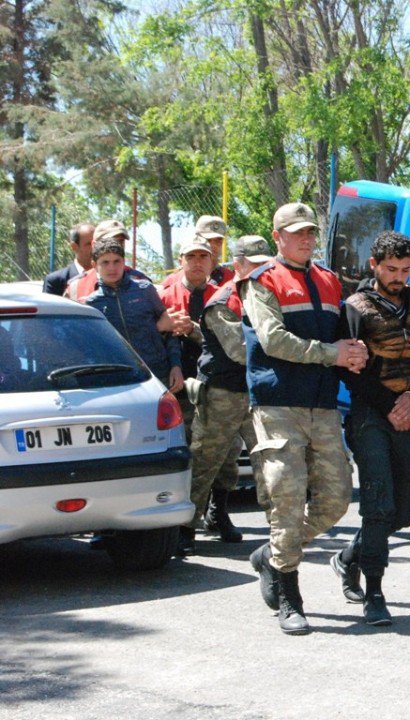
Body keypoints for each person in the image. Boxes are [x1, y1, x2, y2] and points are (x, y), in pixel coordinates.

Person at [243, 202, 368, 635]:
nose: (306, 239)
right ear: (277, 237)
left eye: (311, 232)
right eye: (296, 233)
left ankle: (273, 556)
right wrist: (331, 354)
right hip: (278, 405)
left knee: (336, 500)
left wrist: (352, 352)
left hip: (323, 404)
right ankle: (289, 596)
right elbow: (273, 340)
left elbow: (339, 338)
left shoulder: (330, 281)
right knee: (287, 499)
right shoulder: (260, 282)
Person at [332, 230, 410, 626]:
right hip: (369, 415)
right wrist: (390, 404)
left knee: (403, 512)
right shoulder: (355, 308)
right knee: (378, 503)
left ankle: (347, 558)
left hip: (406, 412)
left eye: (406, 270)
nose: (399, 277)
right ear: (374, 265)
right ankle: (374, 592)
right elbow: (349, 370)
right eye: (391, 269)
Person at [180, 236, 273, 554]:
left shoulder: (264, 295)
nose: (262, 270)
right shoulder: (222, 302)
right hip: (221, 391)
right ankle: (184, 528)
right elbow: (239, 350)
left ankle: (269, 526)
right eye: (255, 265)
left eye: (265, 264)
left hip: (254, 391)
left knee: (265, 460)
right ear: (238, 265)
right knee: (206, 460)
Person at [83, 235, 183, 393]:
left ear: (124, 262)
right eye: (105, 262)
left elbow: (170, 330)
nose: (112, 268)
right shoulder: (93, 304)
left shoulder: (145, 290)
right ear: (95, 265)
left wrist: (176, 366)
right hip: (118, 380)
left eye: (117, 261)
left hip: (157, 374)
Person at [65, 221, 151, 303]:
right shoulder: (76, 287)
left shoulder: (142, 283)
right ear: (94, 245)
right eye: (109, 240)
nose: (116, 245)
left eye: (121, 241)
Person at [163, 215, 236, 289]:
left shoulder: (231, 280)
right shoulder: (173, 281)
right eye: (208, 240)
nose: (214, 245)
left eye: (218, 240)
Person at [43, 223, 94, 296]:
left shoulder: (108, 277)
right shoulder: (56, 281)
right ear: (74, 247)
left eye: (96, 243)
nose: (94, 248)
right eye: (89, 244)